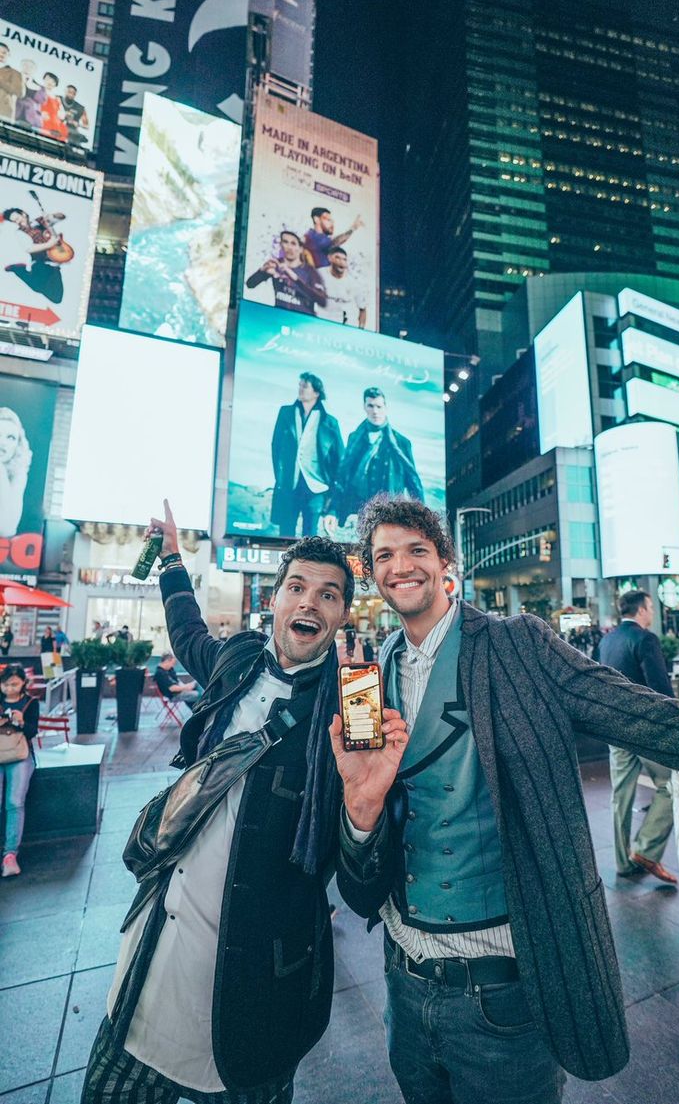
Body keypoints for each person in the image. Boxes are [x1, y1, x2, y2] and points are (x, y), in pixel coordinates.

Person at [329, 495, 679, 1104]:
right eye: (384, 555)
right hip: (405, 983)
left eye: (417, 549)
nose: (400, 565)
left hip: (504, 989)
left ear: (446, 563)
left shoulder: (519, 645)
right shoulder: (374, 668)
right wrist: (358, 814)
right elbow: (366, 840)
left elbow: (640, 714)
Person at [81, 500, 402, 1104]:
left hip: (254, 1010)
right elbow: (187, 632)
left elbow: (365, 886)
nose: (310, 602)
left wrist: (364, 813)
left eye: (329, 594)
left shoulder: (354, 704)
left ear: (341, 615)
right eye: (298, 588)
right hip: (145, 976)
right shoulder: (237, 660)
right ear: (274, 600)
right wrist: (173, 557)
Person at [598, 590, 677, 884]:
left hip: (613, 727)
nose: (653, 613)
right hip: (645, 730)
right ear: (642, 610)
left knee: (621, 796)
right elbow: (659, 688)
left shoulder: (607, 640)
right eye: (652, 608)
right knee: (672, 785)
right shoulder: (645, 639)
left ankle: (622, 861)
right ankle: (646, 849)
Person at [327, 387, 424, 532]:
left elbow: (413, 483)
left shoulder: (402, 443)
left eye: (379, 406)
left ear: (385, 408)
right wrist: (333, 509)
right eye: (370, 406)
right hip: (358, 511)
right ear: (364, 407)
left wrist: (421, 518)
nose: (375, 411)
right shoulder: (354, 438)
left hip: (389, 515)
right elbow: (343, 476)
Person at [270, 372, 344, 538]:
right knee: (285, 535)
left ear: (316, 393)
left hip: (316, 488)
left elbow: (340, 461)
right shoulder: (286, 413)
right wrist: (280, 477)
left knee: (310, 537)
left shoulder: (330, 422)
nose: (300, 389)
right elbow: (275, 447)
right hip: (290, 484)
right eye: (300, 385)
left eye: (305, 386)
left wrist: (332, 495)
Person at [0, 664, 40, 878]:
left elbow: (33, 731)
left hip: (19, 755)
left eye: (14, 683)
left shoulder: (30, 703)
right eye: (5, 684)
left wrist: (21, 722)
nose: (9, 688)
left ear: (23, 683)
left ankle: (10, 854)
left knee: (14, 802)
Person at [245, 230, 326, 315]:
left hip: (302, 322)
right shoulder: (276, 264)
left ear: (301, 248)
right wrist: (262, 270)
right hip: (280, 319)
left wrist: (295, 278)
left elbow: (322, 301)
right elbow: (250, 284)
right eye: (285, 242)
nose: (289, 247)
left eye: (293, 243)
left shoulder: (310, 271)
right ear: (281, 245)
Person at [2, 206, 66, 305]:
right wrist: (49, 244)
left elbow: (61, 217)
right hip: (40, 263)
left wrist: (54, 215)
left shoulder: (39, 221)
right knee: (37, 286)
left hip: (54, 264)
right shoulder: (19, 232)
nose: (17, 222)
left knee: (57, 298)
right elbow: (29, 248)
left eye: (17, 218)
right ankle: (18, 269)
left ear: (23, 214)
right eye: (14, 221)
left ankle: (19, 269)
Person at [313, 246, 367, 328]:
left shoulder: (354, 283)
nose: (341, 262)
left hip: (342, 327)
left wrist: (361, 330)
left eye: (344, 259)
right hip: (319, 324)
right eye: (337, 258)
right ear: (329, 258)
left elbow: (362, 309)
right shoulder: (318, 274)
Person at [0, 406, 31, 538]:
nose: (2, 443)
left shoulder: (17, 474)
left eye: (11, 437)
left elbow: (7, 528)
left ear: (18, 445)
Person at [14, 57, 45, 130]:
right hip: (11, 116)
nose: (27, 68)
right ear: (21, 66)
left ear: (34, 70)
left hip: (31, 121)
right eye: (25, 65)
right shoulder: (11, 79)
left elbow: (41, 101)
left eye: (30, 67)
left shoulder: (39, 87)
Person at [38, 71, 67, 140]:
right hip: (41, 122)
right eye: (48, 79)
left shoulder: (57, 99)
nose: (50, 83)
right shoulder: (37, 91)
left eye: (53, 81)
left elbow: (62, 115)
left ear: (55, 84)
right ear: (44, 80)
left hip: (55, 126)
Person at [0, 43, 23, 122]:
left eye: (4, 52)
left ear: (8, 55)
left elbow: (19, 92)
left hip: (2, 113)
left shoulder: (14, 73)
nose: (1, 54)